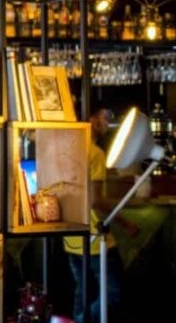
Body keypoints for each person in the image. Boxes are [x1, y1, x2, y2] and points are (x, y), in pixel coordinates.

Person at [63, 106, 137, 323]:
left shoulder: (68, 148)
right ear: (92, 118)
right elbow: (96, 200)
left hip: (71, 236)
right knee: (114, 293)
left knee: (83, 291)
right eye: (105, 117)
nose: (108, 123)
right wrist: (126, 223)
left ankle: (78, 320)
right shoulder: (95, 153)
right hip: (95, 237)